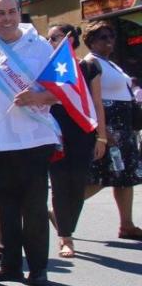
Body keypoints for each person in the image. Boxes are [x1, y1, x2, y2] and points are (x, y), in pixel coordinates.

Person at [0, 0, 59, 286]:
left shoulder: (41, 47)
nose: (7, 18)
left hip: (33, 140)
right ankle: (8, 264)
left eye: (12, 12)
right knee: (4, 207)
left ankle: (38, 267)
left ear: (20, 13)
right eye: (0, 13)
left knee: (33, 207)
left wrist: (37, 97)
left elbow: (64, 90)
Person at [44, 24, 106, 257]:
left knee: (78, 183)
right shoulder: (47, 68)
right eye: (48, 38)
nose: (50, 42)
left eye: (55, 37)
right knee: (59, 183)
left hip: (83, 130)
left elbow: (97, 102)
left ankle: (65, 223)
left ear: (70, 39)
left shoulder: (89, 66)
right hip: (55, 131)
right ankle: (65, 238)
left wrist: (101, 137)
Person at [82, 20, 142, 241]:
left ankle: (127, 225)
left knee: (125, 177)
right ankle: (62, 214)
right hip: (110, 128)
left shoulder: (110, 63)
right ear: (91, 42)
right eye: (102, 37)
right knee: (100, 178)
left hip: (123, 127)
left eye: (111, 37)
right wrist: (103, 131)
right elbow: (89, 99)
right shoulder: (90, 64)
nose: (109, 41)